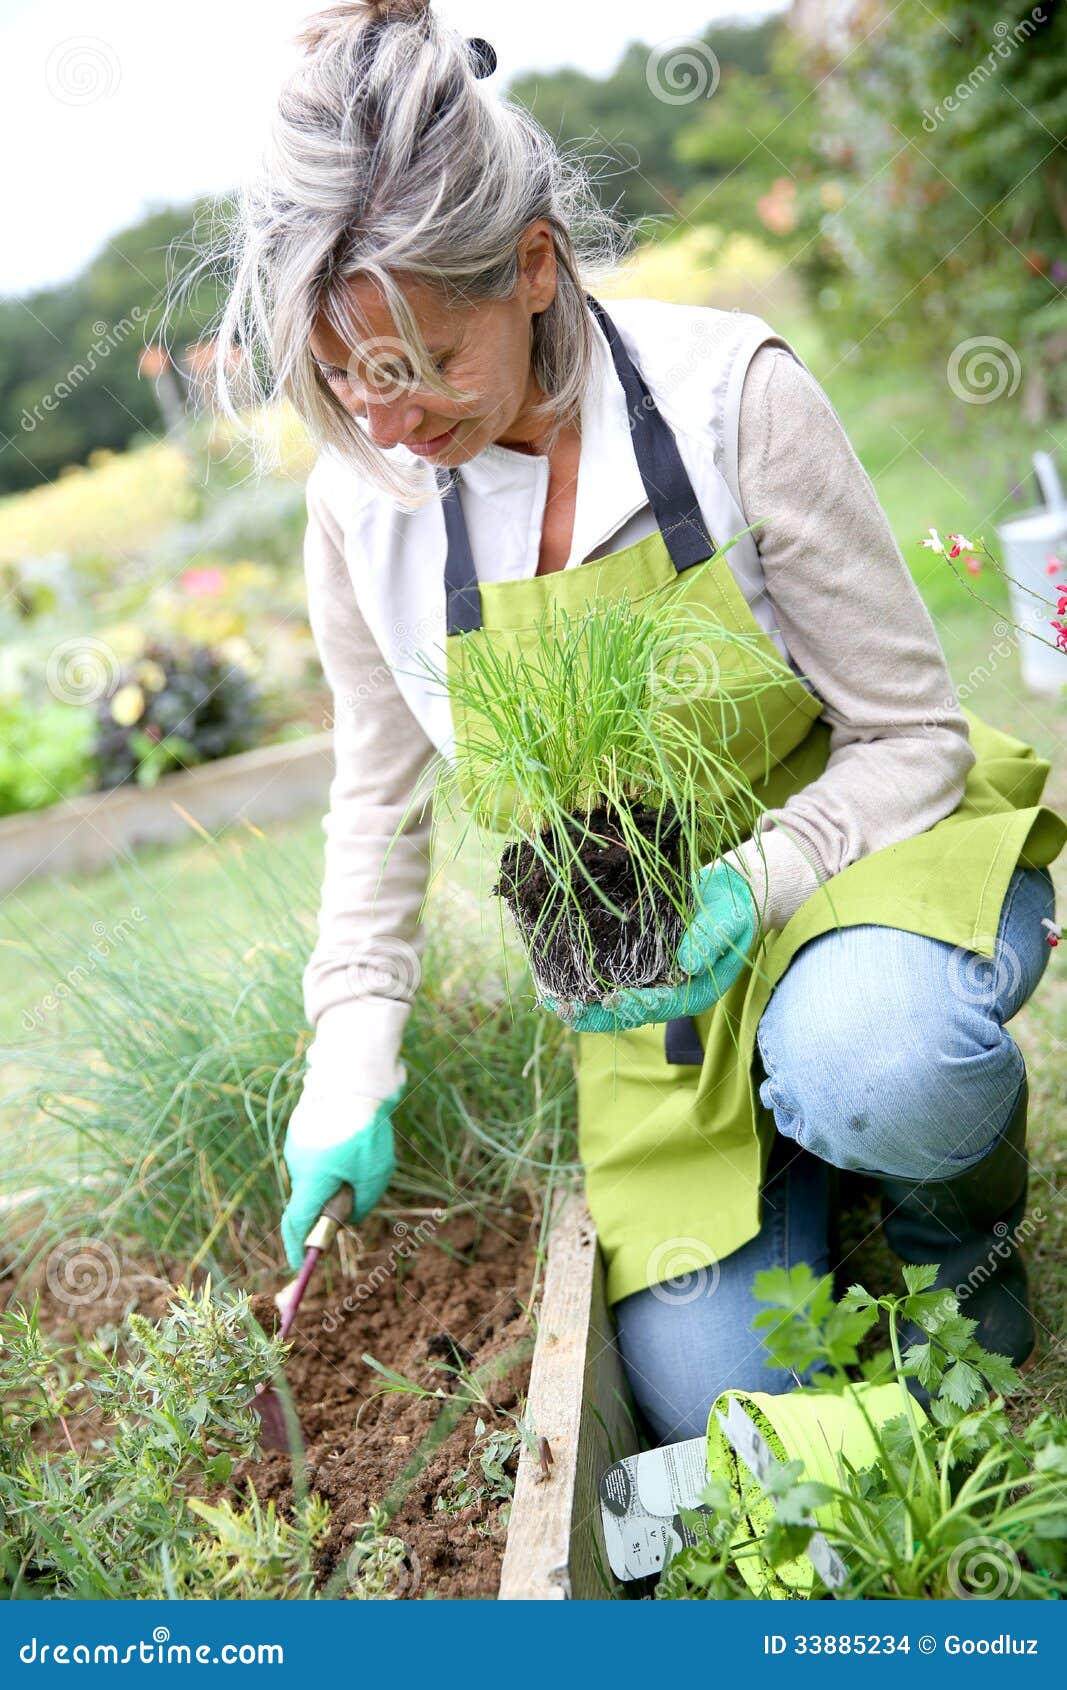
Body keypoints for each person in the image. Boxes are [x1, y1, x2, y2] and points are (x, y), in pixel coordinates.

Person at [212, 0, 1066, 1445]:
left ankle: (939, 1211)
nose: (387, 414)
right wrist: (347, 1069)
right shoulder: (366, 506)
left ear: (534, 265)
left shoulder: (732, 397)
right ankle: (796, 1160)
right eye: (349, 372)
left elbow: (914, 738)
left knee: (885, 1064)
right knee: (723, 1407)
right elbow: (378, 804)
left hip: (863, 878)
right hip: (653, 991)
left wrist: (758, 879)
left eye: (422, 362)